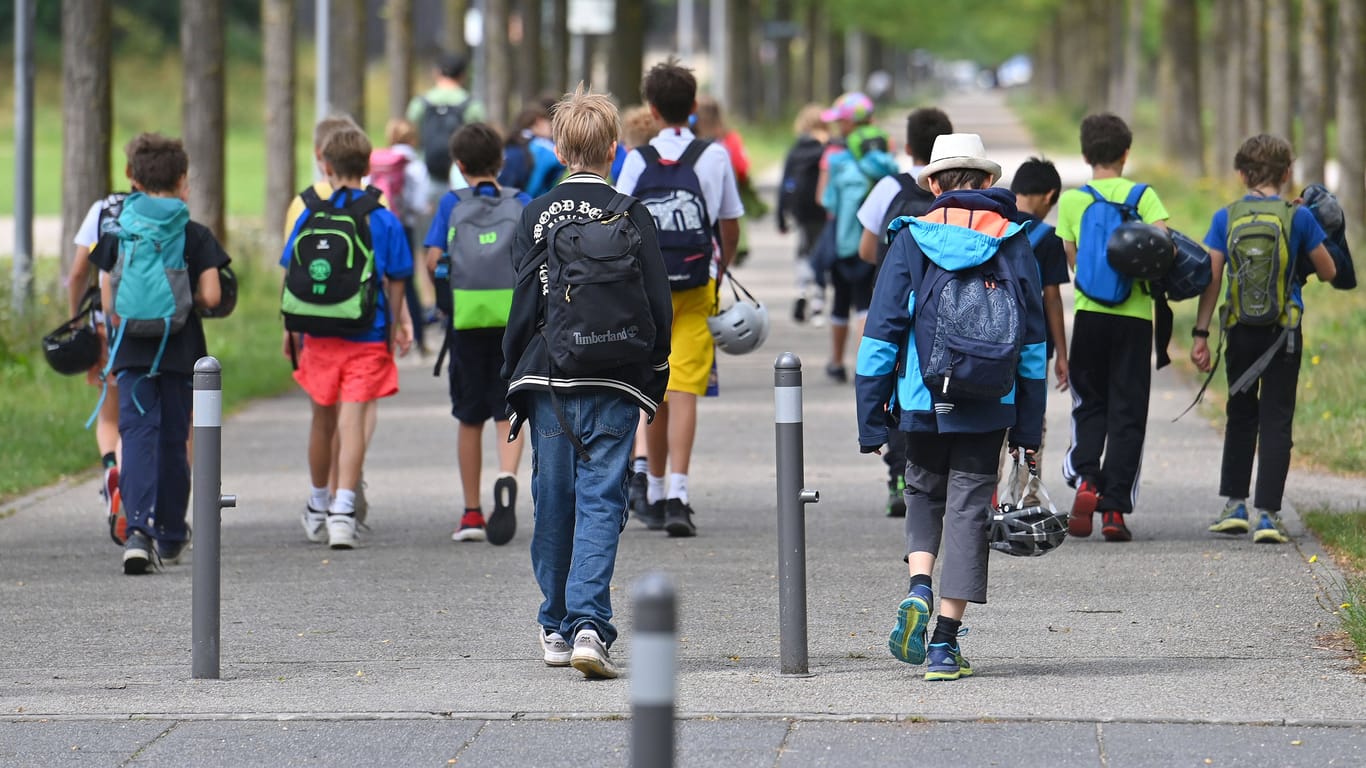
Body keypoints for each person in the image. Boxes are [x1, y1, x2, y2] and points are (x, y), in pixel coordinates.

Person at [855, 133, 1046, 682]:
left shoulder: (911, 238)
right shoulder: (1014, 240)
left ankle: (919, 584)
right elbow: (1032, 348)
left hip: (922, 398)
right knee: (968, 507)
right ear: (988, 183)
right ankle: (942, 644)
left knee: (921, 487)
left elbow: (880, 335)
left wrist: (871, 417)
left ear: (934, 184)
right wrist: (1028, 426)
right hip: (992, 400)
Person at [502, 85, 672, 678]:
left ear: (557, 147)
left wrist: (512, 372)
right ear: (614, 148)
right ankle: (589, 628)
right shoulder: (632, 212)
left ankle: (555, 623)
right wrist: (655, 371)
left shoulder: (535, 213)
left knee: (553, 501)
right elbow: (657, 301)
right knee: (602, 501)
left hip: (551, 379)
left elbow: (523, 302)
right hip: (618, 378)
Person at [89, 133, 229, 574]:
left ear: (134, 178)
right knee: (174, 439)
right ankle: (169, 532)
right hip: (181, 352)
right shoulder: (194, 234)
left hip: (131, 352)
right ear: (182, 180)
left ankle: (137, 533)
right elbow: (210, 293)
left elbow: (108, 302)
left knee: (137, 437)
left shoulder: (117, 231)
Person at [616, 59, 744, 537]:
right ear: (693, 107)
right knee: (686, 386)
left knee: (652, 383)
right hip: (696, 285)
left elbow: (618, 219)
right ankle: (678, 494)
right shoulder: (713, 157)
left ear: (650, 108)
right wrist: (721, 264)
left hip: (645, 290)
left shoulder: (636, 160)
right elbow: (729, 221)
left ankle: (647, 486)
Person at [1191, 134, 1336, 543]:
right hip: (1284, 332)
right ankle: (1268, 515)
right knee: (1276, 419)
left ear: (1241, 173)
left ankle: (1235, 506)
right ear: (1288, 173)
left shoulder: (1227, 216)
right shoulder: (1299, 218)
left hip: (1239, 331)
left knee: (1240, 413)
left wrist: (1201, 333)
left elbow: (1213, 279)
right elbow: (1329, 272)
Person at [281, 125, 413, 550]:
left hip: (318, 333)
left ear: (326, 164)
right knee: (352, 418)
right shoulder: (382, 217)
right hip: (366, 331)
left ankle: (317, 504)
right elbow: (396, 280)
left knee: (322, 418)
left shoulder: (309, 213)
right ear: (367, 166)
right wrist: (396, 325)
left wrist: (291, 329)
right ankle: (343, 509)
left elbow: (294, 275)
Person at [1057, 114, 1170, 543]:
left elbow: (1073, 260)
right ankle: (1115, 510)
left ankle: (1086, 478)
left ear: (1086, 155)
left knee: (1090, 403)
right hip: (1135, 318)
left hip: (1090, 316)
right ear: (1126, 153)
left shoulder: (1072, 201)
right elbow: (1163, 251)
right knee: (1128, 411)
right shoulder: (1145, 197)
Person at [423, 123, 531, 544]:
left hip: (466, 323)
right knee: (509, 410)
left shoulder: (451, 204)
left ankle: (471, 513)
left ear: (459, 164)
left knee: (469, 417)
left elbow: (434, 260)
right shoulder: (521, 202)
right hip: (512, 324)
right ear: (501, 162)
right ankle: (506, 475)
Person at [852, 106, 953, 517]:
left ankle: (899, 472)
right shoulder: (951, 192)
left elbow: (863, 249)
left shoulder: (888, 188)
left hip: (894, 301)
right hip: (944, 308)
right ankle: (943, 469)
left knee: (896, 385)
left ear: (907, 146)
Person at [69, 138, 150, 540]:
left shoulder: (103, 210)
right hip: (153, 325)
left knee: (110, 413)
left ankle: (110, 470)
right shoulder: (162, 212)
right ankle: (130, 481)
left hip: (105, 325)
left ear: (127, 173)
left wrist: (75, 320)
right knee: (143, 415)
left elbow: (78, 272)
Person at [1002, 157, 1072, 505]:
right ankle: (1029, 494)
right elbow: (1053, 299)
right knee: (1031, 417)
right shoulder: (1046, 238)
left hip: (991, 342)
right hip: (1032, 346)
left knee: (994, 417)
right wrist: (1061, 352)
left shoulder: (994, 225)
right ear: (1049, 195)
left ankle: (988, 495)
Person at [819, 92, 898, 383]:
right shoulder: (885, 154)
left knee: (840, 301)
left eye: (840, 121)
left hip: (844, 239)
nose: (838, 127)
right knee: (867, 301)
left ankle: (837, 361)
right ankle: (865, 366)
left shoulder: (837, 158)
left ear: (851, 122)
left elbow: (825, 200)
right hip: (874, 240)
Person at [374, 118, 433, 356]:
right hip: (403, 225)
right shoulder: (414, 165)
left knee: (379, 278)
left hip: (378, 226)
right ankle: (418, 337)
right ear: (413, 138)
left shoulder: (379, 162)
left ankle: (379, 335)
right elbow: (418, 203)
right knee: (407, 282)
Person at [777, 104, 831, 325]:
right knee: (820, 254)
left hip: (801, 210)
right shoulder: (828, 149)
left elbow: (785, 183)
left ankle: (801, 291)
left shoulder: (795, 149)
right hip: (822, 208)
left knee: (803, 251)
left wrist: (781, 215)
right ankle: (818, 305)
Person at [406, 53, 486, 194]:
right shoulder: (471, 105)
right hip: (460, 175)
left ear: (436, 72)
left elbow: (409, 132)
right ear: (463, 75)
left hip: (425, 174)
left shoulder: (420, 103)